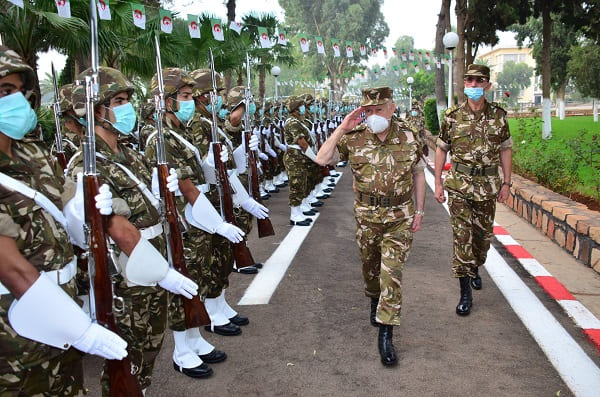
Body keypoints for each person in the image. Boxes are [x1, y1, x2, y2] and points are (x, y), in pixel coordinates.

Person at [0, 45, 127, 396]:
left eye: (13, 90)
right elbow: (10, 268)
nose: (12, 100)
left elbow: (67, 202)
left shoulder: (32, 153)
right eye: (2, 92)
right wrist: (82, 330)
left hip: (63, 307)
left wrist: (89, 205)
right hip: (15, 329)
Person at [68, 66, 198, 393]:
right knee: (126, 356)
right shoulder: (86, 164)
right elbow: (116, 228)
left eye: (126, 99)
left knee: (149, 347)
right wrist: (163, 272)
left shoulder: (128, 152)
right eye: (119, 100)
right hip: (125, 275)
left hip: (152, 261)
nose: (126, 107)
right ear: (95, 109)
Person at [316, 87, 426, 367]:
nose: (374, 115)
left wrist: (420, 211)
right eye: (369, 111)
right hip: (367, 217)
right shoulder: (354, 138)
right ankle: (373, 297)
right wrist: (343, 127)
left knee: (392, 272)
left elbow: (418, 173)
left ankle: (386, 334)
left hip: (399, 216)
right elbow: (322, 158)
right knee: (371, 269)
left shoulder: (410, 136)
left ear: (391, 108)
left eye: (380, 109)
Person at [433, 64, 512, 316]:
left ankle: (476, 265)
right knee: (461, 237)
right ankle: (465, 291)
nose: (474, 86)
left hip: (488, 187)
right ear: (464, 85)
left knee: (482, 238)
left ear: (487, 85)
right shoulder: (452, 116)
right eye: (470, 81)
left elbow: (506, 149)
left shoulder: (499, 116)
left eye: (479, 81)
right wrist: (437, 182)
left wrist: (507, 183)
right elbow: (441, 148)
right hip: (459, 186)